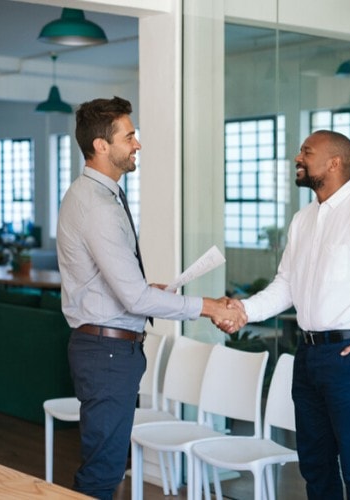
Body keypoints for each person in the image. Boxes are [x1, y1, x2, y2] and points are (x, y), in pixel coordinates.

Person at [57, 96, 245, 500]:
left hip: (105, 348)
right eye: (129, 136)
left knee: (103, 464)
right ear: (101, 146)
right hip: (106, 353)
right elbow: (134, 299)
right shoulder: (98, 206)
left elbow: (120, 289)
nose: (137, 144)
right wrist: (209, 307)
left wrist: (147, 291)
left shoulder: (95, 196)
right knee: (102, 472)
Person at [230, 130, 350, 499]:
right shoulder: (303, 220)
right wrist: (243, 311)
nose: (297, 158)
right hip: (308, 358)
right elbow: (285, 286)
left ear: (334, 163)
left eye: (306, 151)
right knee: (315, 467)